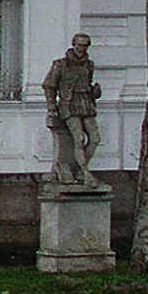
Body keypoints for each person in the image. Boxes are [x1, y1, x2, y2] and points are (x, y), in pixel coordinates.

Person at [42, 33, 103, 184]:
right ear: (73, 45)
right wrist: (51, 105)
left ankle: (78, 168)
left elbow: (87, 84)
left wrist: (95, 91)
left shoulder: (89, 65)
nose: (82, 49)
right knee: (79, 139)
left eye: (85, 46)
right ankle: (84, 172)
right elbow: (49, 86)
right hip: (69, 104)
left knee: (95, 139)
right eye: (79, 45)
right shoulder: (61, 64)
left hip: (86, 104)